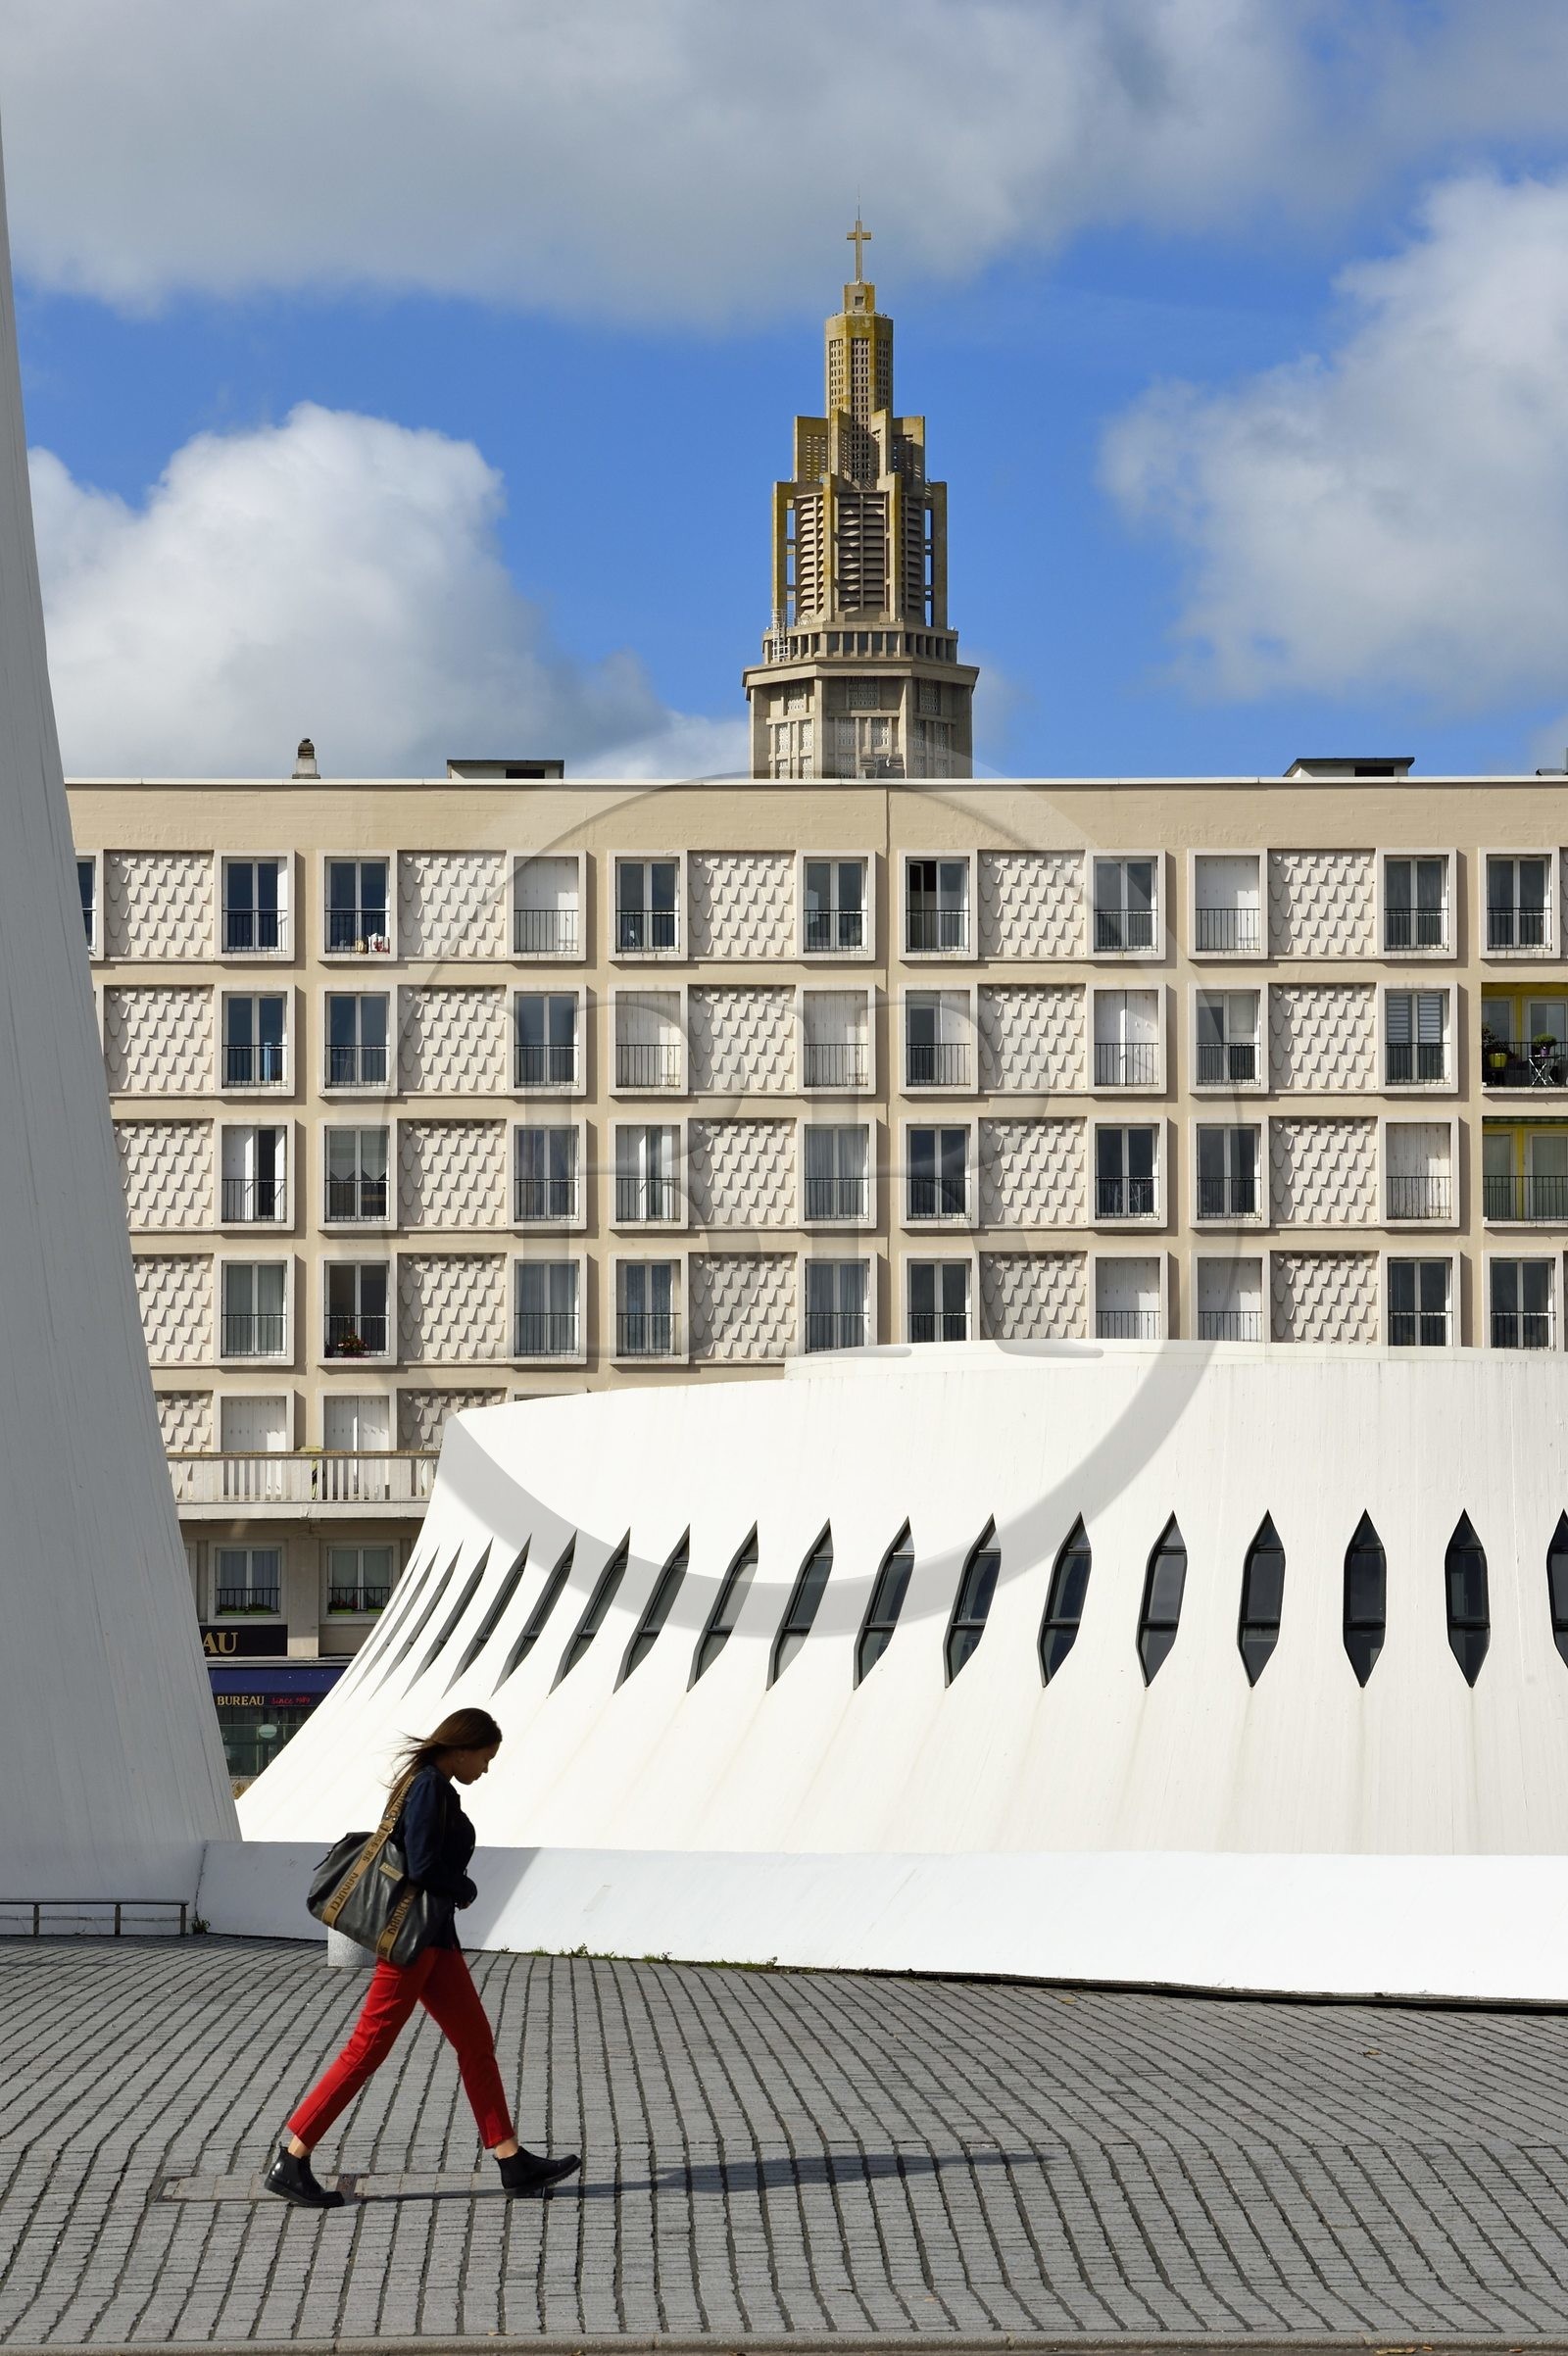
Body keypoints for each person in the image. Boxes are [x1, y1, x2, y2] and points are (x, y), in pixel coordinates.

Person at [265, 1706, 579, 2208]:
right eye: (485, 1757)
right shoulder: (429, 1786)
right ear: (462, 1747)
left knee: (476, 2040)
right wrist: (465, 1886)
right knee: (368, 2047)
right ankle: (293, 2155)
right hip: (412, 1942)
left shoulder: (429, 1782)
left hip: (436, 1941)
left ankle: (510, 2158)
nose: (487, 1768)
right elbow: (423, 1862)